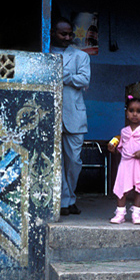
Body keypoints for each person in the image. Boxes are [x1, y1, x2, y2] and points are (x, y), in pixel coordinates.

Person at [50, 18, 91, 217]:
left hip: (74, 115)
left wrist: (59, 73)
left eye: (70, 34)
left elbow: (84, 79)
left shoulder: (81, 56)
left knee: (74, 161)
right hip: (50, 114)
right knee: (55, 161)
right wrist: (70, 77)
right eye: (62, 34)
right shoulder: (45, 52)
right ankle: (64, 202)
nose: (67, 38)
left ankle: (69, 197)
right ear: (52, 33)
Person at [107, 95, 140, 224]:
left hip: (139, 163)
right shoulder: (124, 131)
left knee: (139, 189)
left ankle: (136, 214)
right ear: (126, 112)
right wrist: (112, 148)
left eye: (139, 111)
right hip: (125, 164)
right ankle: (120, 214)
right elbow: (120, 148)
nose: (134, 114)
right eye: (131, 111)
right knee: (121, 188)